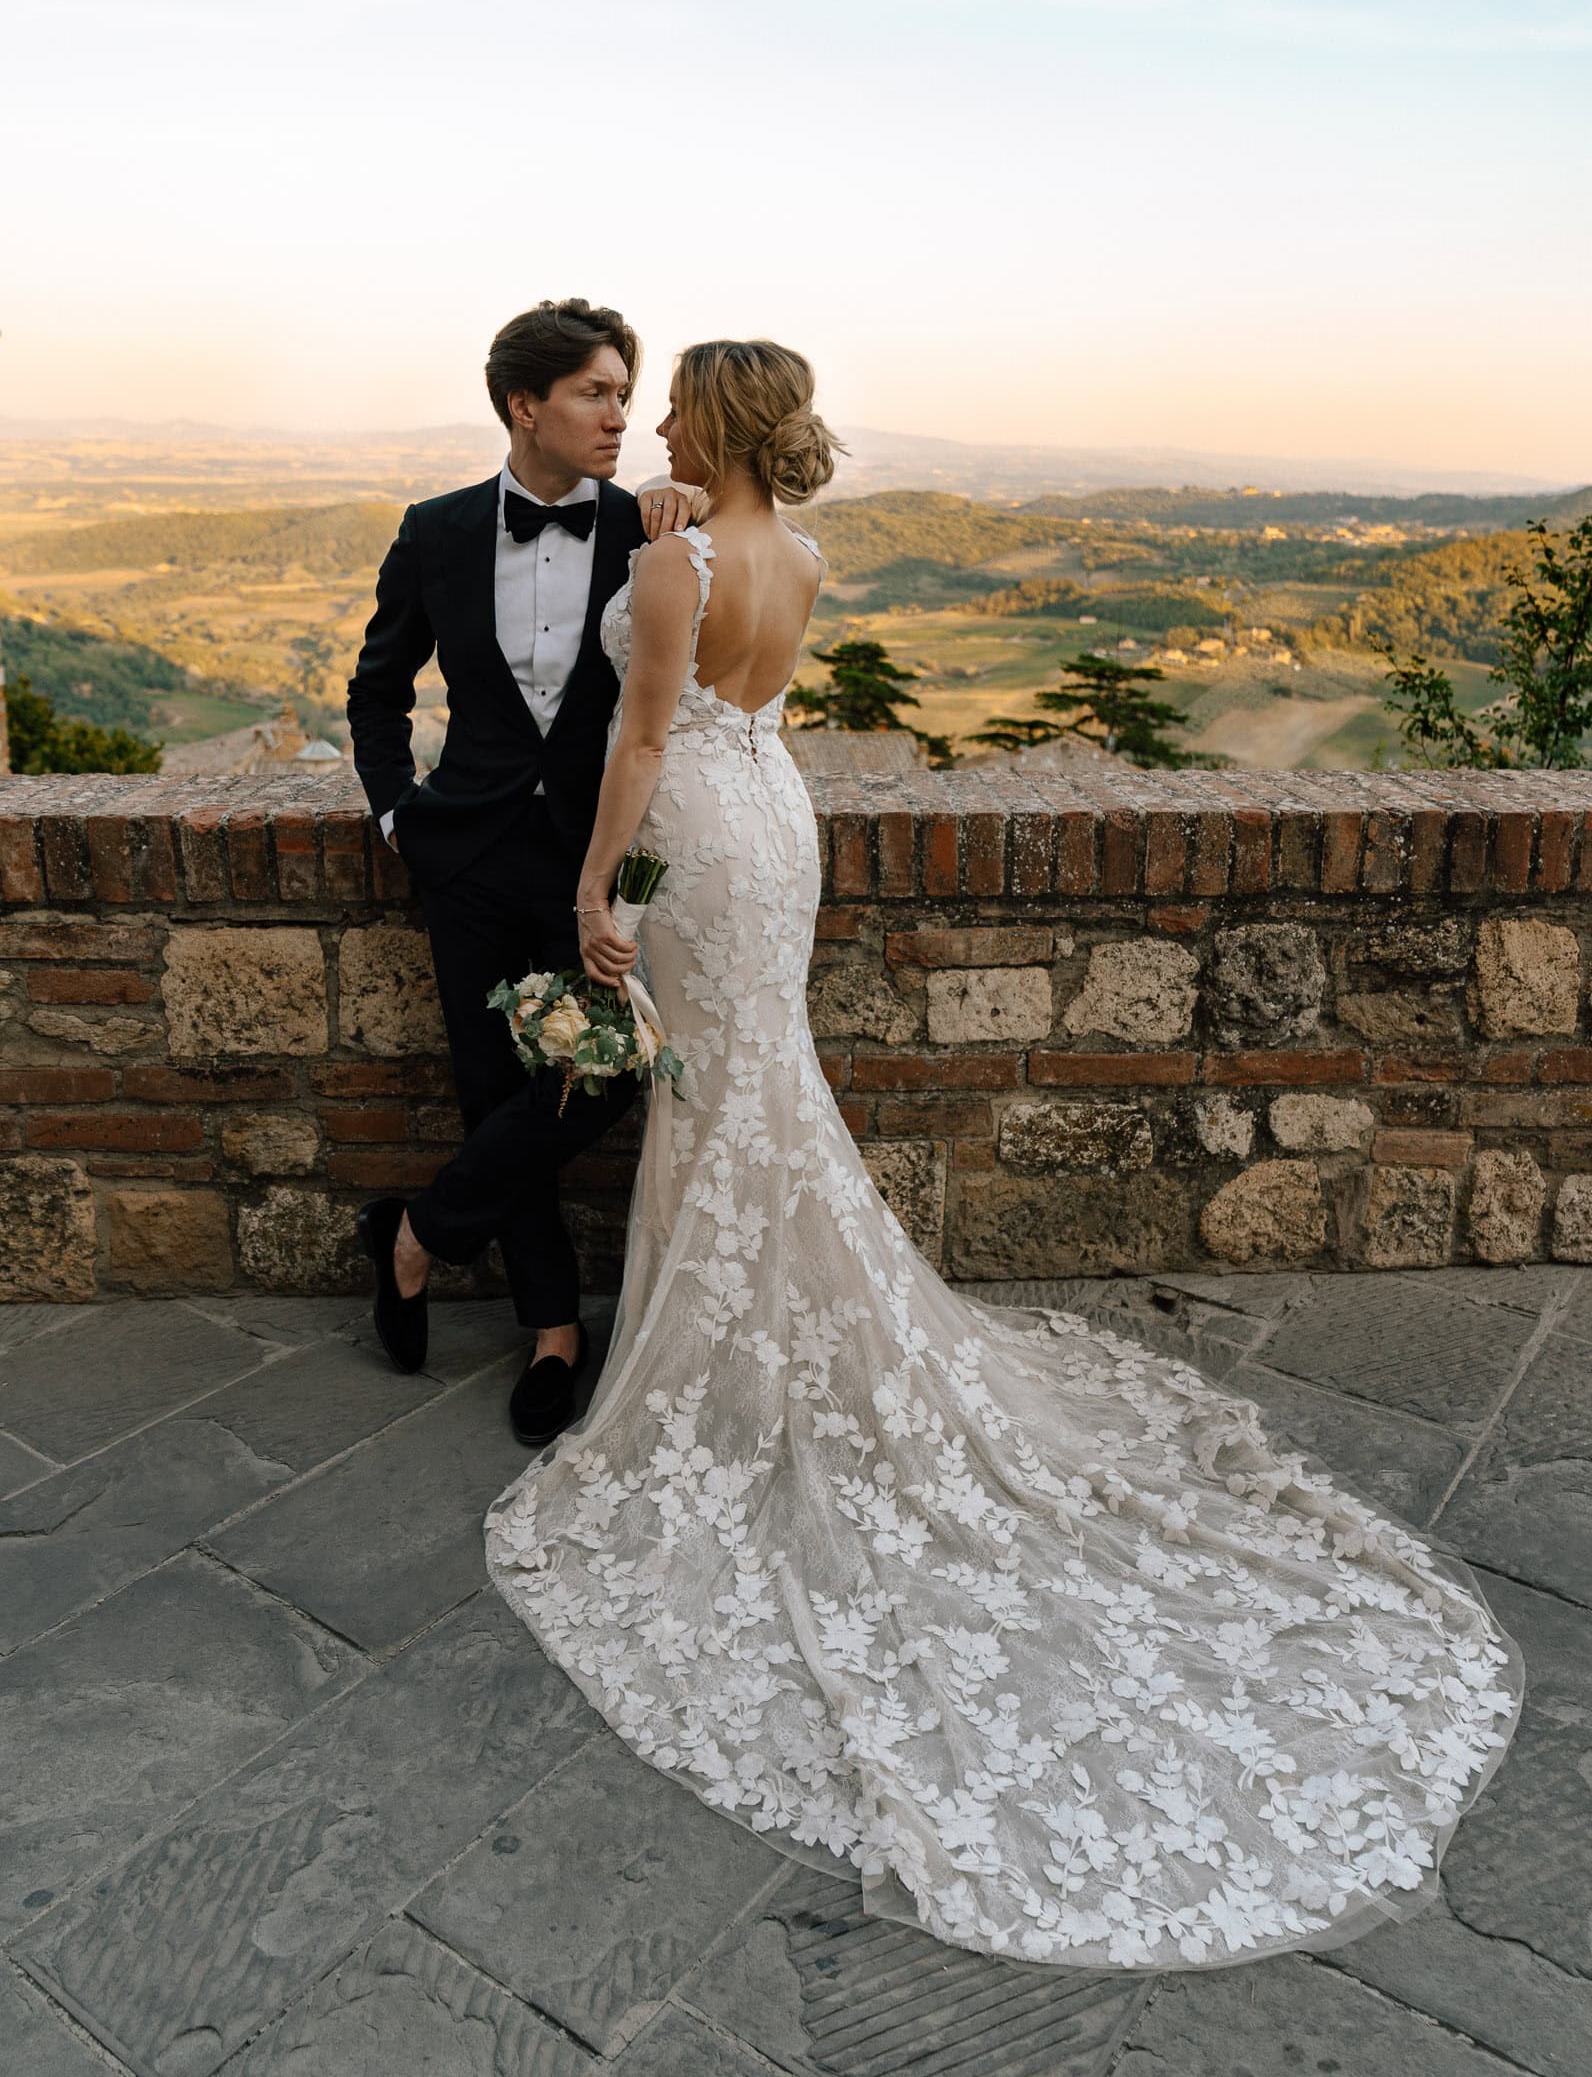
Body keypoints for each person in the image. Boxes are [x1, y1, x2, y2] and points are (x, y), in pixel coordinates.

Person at [383, 338, 1523, 1972]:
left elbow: (639, 744)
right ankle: (744, 1346)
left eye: (683, 397)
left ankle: (689, 1356)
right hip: (780, 827)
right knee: (746, 1092)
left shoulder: (675, 558)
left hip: (691, 843)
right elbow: (739, 697)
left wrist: (588, 895)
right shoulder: (800, 552)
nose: (666, 419)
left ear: (715, 418)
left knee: (696, 1095)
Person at [345, 298, 704, 1442]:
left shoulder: (649, 529)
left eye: (623, 394)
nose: (619, 418)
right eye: (596, 394)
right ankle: (553, 1332)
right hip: (464, 856)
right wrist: (397, 812)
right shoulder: (439, 529)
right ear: (523, 405)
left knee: (599, 1073)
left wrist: (699, 506)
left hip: (587, 862)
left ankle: (417, 1234)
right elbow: (377, 687)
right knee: (496, 1093)